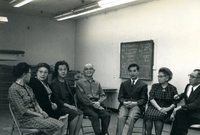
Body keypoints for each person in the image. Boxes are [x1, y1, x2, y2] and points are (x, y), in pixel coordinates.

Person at [8, 62, 65, 135]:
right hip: (26, 120)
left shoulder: (27, 87)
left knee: (60, 124)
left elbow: (35, 101)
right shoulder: (13, 89)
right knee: (59, 126)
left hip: (35, 116)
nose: (30, 75)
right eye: (29, 73)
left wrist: (41, 111)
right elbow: (23, 111)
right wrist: (38, 115)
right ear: (24, 74)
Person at [76, 63, 111, 135]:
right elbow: (82, 98)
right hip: (85, 106)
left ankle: (103, 133)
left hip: (97, 104)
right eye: (86, 69)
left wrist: (98, 102)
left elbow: (103, 95)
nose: (89, 71)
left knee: (107, 115)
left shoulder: (97, 83)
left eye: (91, 69)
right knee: (95, 115)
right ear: (83, 71)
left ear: (94, 71)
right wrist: (93, 104)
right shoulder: (79, 83)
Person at [51, 61, 83, 135]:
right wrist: (70, 106)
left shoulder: (67, 82)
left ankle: (76, 133)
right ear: (57, 71)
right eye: (61, 69)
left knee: (81, 114)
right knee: (76, 114)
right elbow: (56, 99)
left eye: (65, 69)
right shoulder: (54, 83)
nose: (63, 71)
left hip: (69, 106)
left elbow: (71, 96)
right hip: (60, 107)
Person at [144, 67, 178, 135]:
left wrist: (168, 109)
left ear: (167, 78)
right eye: (158, 76)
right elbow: (151, 98)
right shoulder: (155, 86)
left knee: (159, 117)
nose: (159, 78)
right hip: (154, 107)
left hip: (166, 108)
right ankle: (149, 133)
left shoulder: (172, 88)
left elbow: (175, 102)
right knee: (148, 116)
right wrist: (159, 108)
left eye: (161, 76)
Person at [117, 63, 148, 135]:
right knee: (121, 117)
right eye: (130, 71)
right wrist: (124, 102)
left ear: (138, 72)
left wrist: (136, 103)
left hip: (136, 106)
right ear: (128, 72)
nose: (132, 73)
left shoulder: (143, 85)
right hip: (125, 105)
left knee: (131, 118)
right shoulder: (124, 84)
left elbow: (144, 100)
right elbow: (120, 97)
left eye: (134, 71)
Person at [170, 69, 200, 135]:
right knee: (179, 115)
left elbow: (196, 104)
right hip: (187, 112)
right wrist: (179, 96)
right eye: (190, 76)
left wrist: (180, 107)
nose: (190, 78)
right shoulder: (188, 86)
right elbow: (185, 94)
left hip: (197, 114)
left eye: (192, 77)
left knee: (179, 115)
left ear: (199, 79)